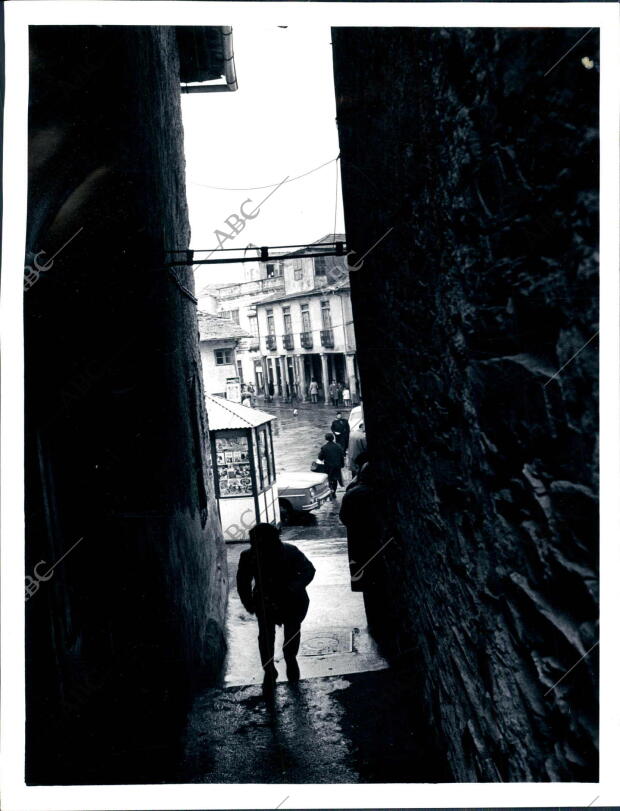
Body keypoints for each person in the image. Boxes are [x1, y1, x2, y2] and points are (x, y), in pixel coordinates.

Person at [236, 523, 316, 693]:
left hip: (291, 601)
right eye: (254, 542)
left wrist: (293, 588)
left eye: (259, 542)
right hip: (267, 602)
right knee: (266, 636)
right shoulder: (249, 556)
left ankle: (289, 658)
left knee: (290, 632)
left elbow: (309, 570)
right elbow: (243, 582)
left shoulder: (290, 551)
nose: (255, 546)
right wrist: (248, 602)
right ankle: (269, 667)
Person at [318, 432, 345, 497]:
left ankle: (331, 490)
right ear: (333, 438)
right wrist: (342, 464)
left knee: (329, 479)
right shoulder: (338, 446)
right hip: (337, 466)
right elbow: (342, 456)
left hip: (328, 467)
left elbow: (320, 458)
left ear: (326, 439)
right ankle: (334, 492)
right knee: (335, 479)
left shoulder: (324, 447)